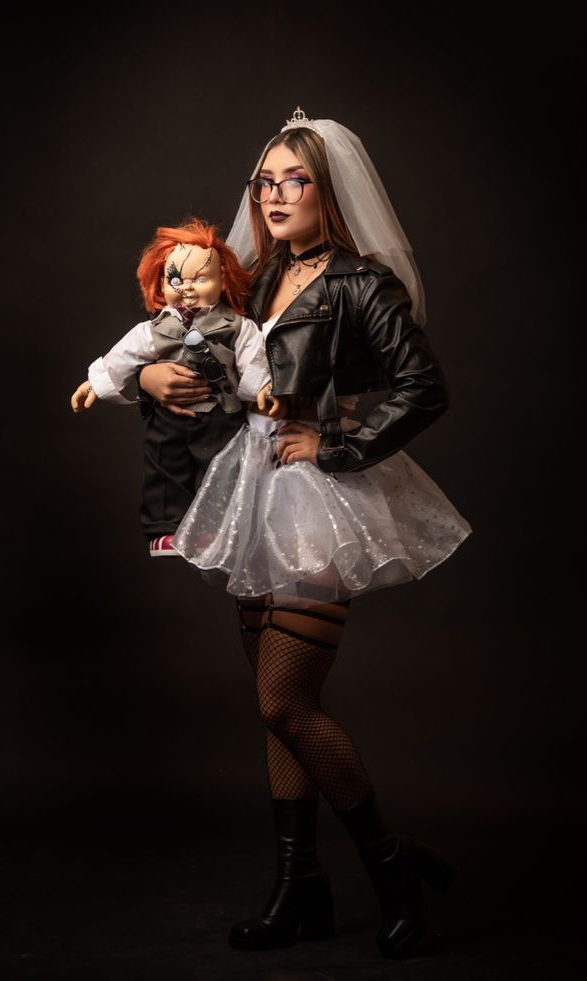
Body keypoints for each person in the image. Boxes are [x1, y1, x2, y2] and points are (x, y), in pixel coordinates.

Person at [138, 109, 472, 959]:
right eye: (266, 180)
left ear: (329, 191)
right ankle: (301, 888)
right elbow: (180, 341)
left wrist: (337, 442)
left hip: (320, 496)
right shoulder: (245, 277)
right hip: (251, 490)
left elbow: (422, 387)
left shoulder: (360, 283)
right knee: (278, 716)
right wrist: (147, 372)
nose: (275, 193)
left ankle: (391, 863)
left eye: (295, 179)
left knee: (283, 698)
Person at [69, 219, 285, 553]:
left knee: (224, 468)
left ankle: (220, 527)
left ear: (222, 278)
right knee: (164, 463)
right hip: (169, 415)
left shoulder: (236, 326)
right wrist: (95, 383)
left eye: (201, 278)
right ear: (160, 280)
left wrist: (262, 388)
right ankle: (165, 528)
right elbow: (125, 355)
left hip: (219, 412)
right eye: (175, 279)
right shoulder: (154, 327)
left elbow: (252, 359)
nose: (187, 288)